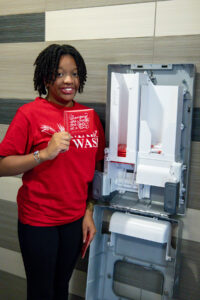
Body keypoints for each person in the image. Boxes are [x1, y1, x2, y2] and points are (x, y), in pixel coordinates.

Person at [0, 44, 105, 300]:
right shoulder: (29, 114)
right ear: (46, 78)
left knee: (61, 289)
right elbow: (2, 165)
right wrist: (44, 154)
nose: (69, 80)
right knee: (41, 293)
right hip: (38, 221)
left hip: (74, 220)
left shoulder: (89, 118)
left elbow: (98, 166)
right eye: (59, 74)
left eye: (74, 73)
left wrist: (89, 210)